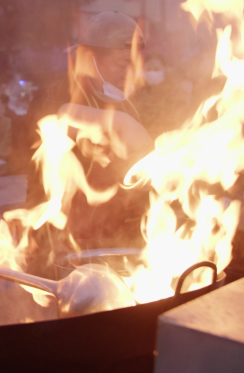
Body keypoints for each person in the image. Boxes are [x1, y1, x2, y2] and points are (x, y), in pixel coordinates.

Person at [23, 12, 154, 278]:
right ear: (90, 59)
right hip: (64, 245)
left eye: (135, 63)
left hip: (119, 241)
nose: (130, 73)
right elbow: (56, 118)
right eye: (121, 64)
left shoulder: (128, 100)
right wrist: (121, 124)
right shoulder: (57, 92)